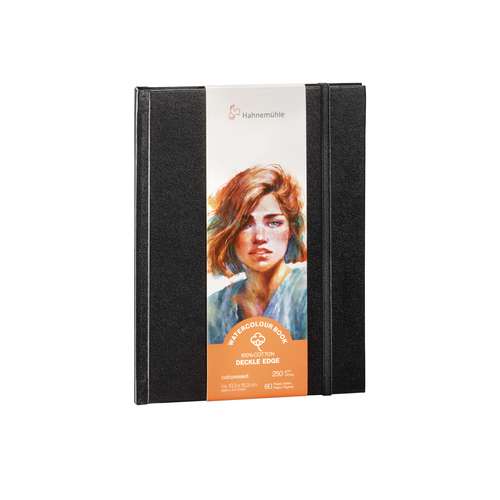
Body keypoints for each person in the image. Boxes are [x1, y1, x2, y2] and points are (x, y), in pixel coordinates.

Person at [207, 164, 307, 344]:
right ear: (230, 234)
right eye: (246, 224)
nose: (260, 237)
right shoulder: (214, 307)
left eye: (274, 223)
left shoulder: (307, 292)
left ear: (290, 230)